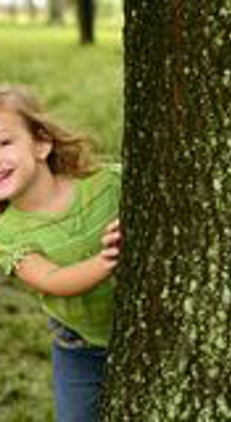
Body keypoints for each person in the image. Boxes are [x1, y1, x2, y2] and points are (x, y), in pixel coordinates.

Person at [0, 85, 121, 422]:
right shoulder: (7, 233)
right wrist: (108, 259)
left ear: (41, 143)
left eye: (4, 143)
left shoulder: (106, 185)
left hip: (144, 321)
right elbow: (51, 279)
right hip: (80, 348)